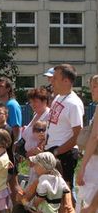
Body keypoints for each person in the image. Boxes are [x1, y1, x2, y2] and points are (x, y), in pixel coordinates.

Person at [46, 64, 84, 192]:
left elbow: (78, 134)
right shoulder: (58, 97)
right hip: (53, 150)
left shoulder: (74, 104)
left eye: (55, 78)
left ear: (66, 81)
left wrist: (57, 152)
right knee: (53, 193)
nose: (52, 81)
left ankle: (72, 212)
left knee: (64, 193)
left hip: (64, 154)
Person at [75, 74, 98, 213]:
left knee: (85, 211)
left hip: (94, 164)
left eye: (94, 87)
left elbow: (94, 138)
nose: (92, 91)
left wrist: (82, 168)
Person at [0, 77, 22, 144]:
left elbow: (16, 127)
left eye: (1, 86)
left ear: (8, 89)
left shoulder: (12, 105)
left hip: (8, 144)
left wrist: (13, 146)